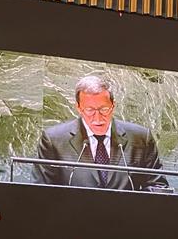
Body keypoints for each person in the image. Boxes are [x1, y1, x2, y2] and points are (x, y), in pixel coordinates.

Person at [32, 75, 170, 192]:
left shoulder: (140, 138)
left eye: (104, 109)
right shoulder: (54, 140)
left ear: (113, 106)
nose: (97, 118)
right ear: (79, 108)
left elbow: (158, 186)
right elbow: (42, 190)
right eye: (90, 110)